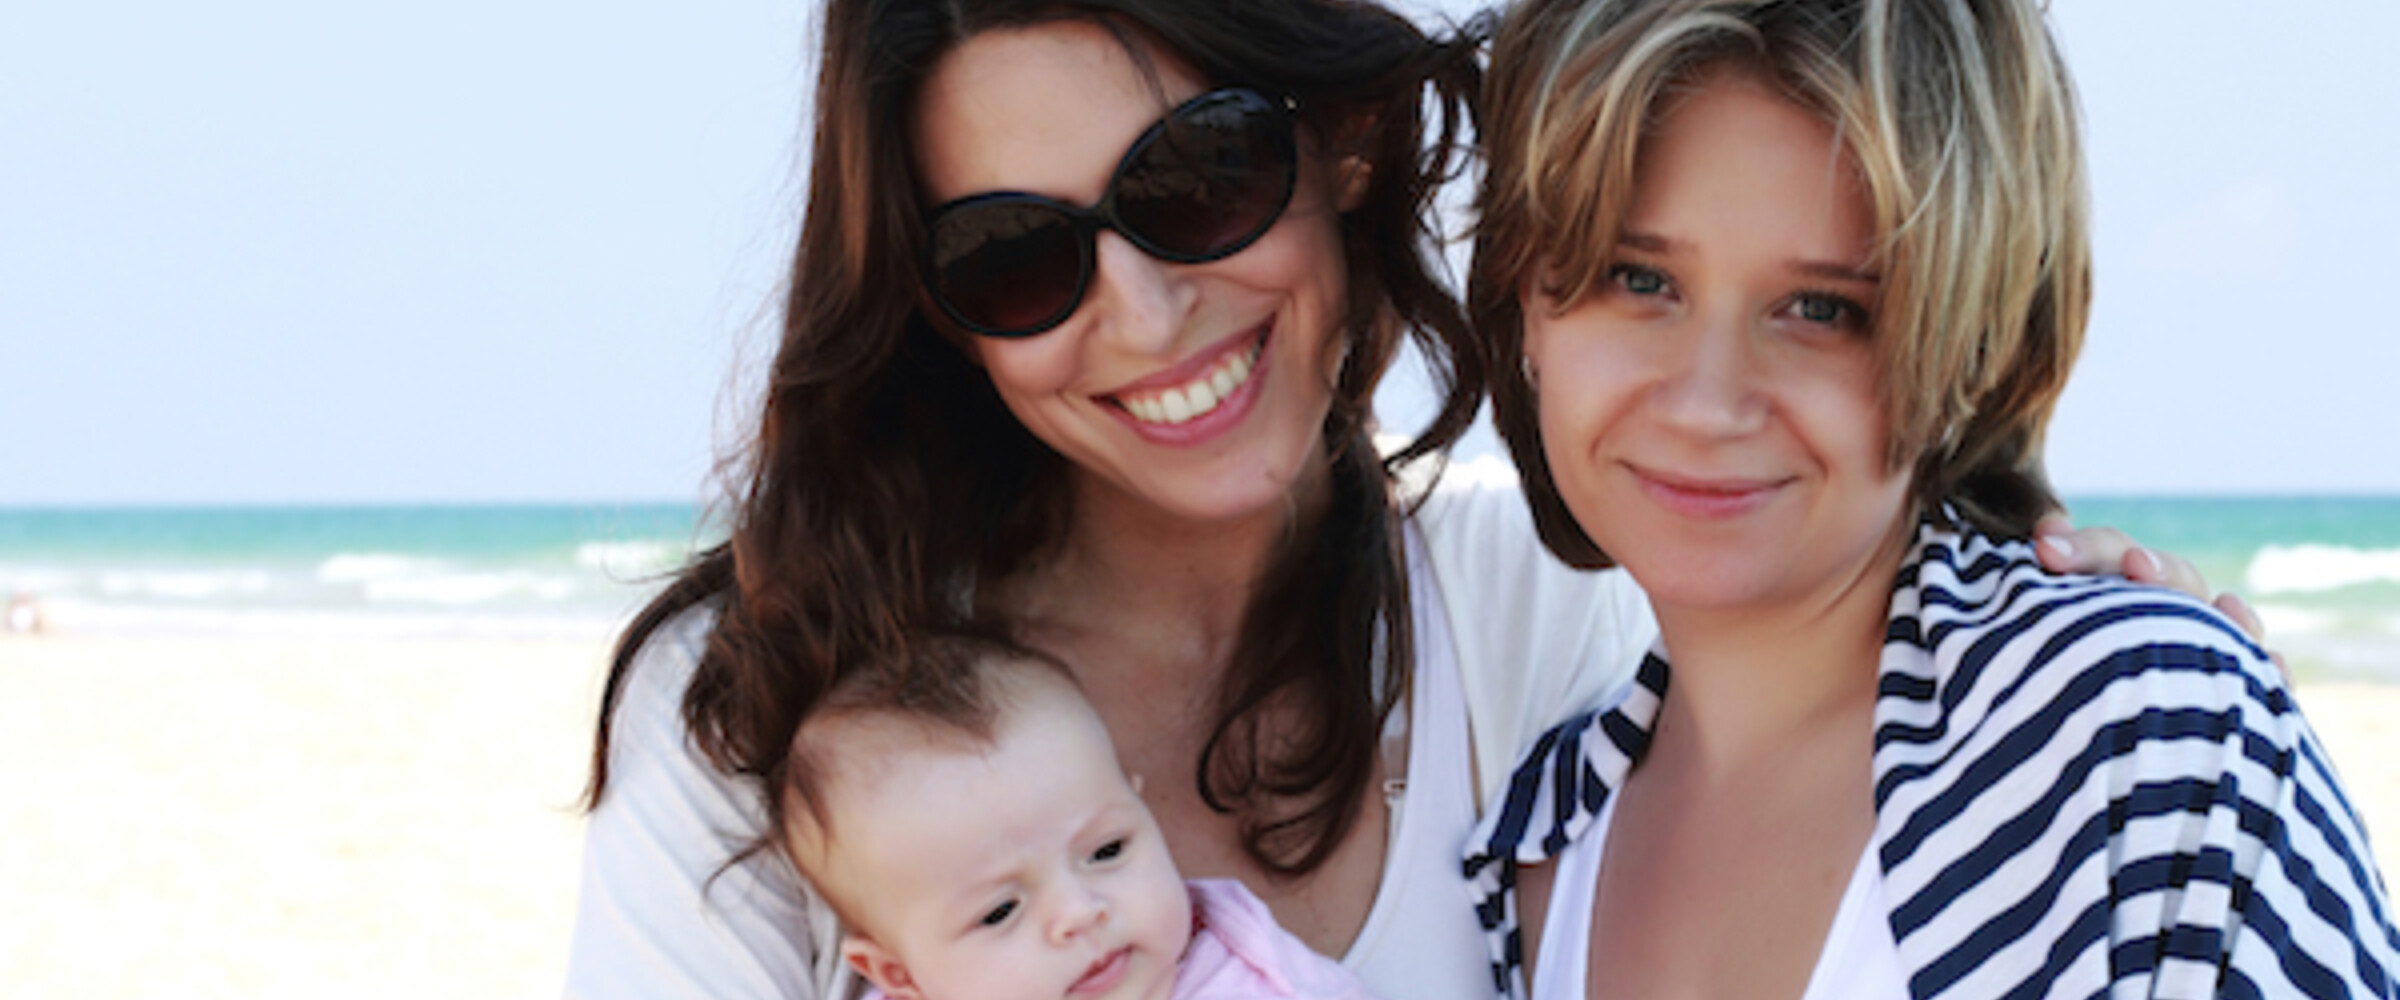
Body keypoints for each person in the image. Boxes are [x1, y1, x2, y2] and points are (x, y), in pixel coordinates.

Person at [563, 1, 2248, 997]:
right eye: (1020, 256)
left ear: (1343, 143)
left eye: (1200, 181)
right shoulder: (763, 712)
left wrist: (2060, 616)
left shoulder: (1540, 621)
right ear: (938, 307)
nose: (1142, 316)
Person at [1459, 1, 2400, 998]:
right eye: (1636, 278)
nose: (1706, 402)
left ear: (1961, 343)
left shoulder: (2138, 749)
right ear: (1526, 301)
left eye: (1821, 309)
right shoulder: (1529, 853)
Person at [780, 634, 1378, 1000]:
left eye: (1108, 850)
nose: (1079, 912)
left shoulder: (1258, 983)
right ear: (899, 976)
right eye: (1000, 911)